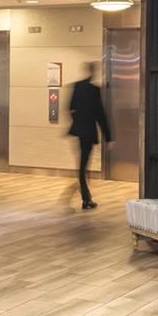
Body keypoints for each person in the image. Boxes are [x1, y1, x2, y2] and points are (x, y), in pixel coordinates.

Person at [68, 62, 112, 210]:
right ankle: (86, 199)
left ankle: (85, 194)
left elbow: (70, 108)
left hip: (79, 131)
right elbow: (100, 114)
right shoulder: (94, 90)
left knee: (82, 164)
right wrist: (108, 137)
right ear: (94, 72)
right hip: (89, 132)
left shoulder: (77, 86)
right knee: (84, 165)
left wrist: (77, 122)